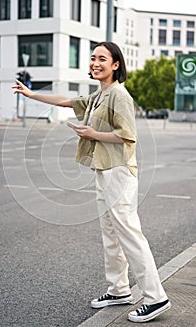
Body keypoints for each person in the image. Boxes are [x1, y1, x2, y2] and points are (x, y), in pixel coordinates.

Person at [12, 41, 171, 323]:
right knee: (111, 235)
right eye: (92, 58)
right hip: (104, 171)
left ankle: (156, 297)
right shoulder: (100, 94)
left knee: (130, 235)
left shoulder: (118, 95)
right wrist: (31, 94)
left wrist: (92, 134)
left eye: (102, 58)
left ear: (116, 65)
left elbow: (127, 136)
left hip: (119, 172)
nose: (95, 63)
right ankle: (119, 289)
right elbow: (68, 102)